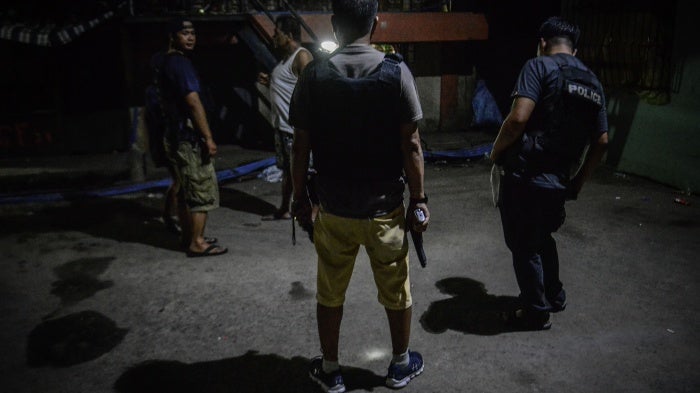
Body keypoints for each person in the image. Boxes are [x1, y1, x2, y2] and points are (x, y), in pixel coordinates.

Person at [289, 1, 429, 391]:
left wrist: (300, 199)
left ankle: (331, 370)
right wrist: (419, 200)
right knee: (396, 288)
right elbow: (411, 144)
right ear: (376, 24)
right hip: (385, 208)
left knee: (330, 290)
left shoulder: (314, 74)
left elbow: (300, 147)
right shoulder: (396, 72)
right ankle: (400, 365)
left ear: (334, 25)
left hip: (333, 210)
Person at [490, 16, 608, 330]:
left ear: (542, 43)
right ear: (575, 48)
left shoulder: (538, 67)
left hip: (527, 176)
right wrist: (578, 181)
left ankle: (535, 310)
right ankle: (554, 295)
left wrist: (496, 151)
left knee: (523, 244)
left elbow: (518, 119)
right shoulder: (593, 82)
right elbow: (602, 141)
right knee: (543, 237)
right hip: (559, 178)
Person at [156, 17, 227, 257]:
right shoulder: (180, 64)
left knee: (186, 190)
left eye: (193, 33)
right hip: (188, 137)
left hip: (175, 135)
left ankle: (188, 237)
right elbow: (193, 102)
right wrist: (208, 137)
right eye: (185, 33)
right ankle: (197, 242)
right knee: (200, 190)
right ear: (172, 36)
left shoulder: (165, 63)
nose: (191, 37)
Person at [257, 15, 313, 221]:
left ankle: (312, 211)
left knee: (303, 170)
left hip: (295, 129)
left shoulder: (302, 56)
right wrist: (271, 81)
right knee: (288, 172)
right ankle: (285, 208)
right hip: (281, 127)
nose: (273, 37)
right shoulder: (284, 61)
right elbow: (289, 86)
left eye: (276, 33)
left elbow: (311, 89)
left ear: (288, 35)